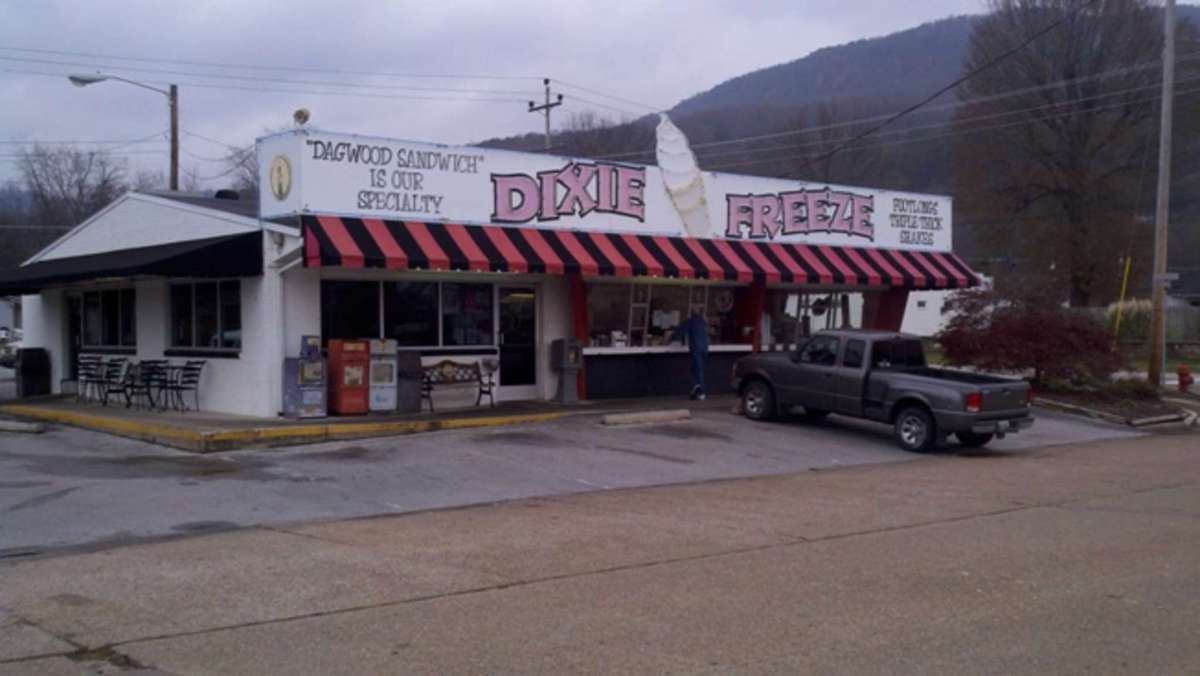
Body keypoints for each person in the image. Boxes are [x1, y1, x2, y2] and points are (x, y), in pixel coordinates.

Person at [672, 310, 710, 400]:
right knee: (697, 370)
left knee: (697, 370)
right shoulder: (703, 322)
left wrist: (671, 338)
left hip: (696, 349)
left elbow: (680, 331)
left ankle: (701, 393)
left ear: (691, 315)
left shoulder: (690, 321)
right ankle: (695, 390)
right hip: (704, 349)